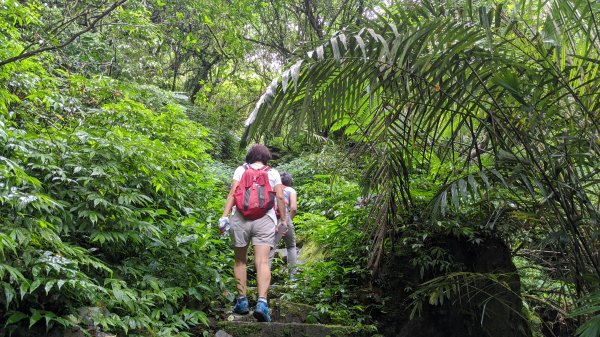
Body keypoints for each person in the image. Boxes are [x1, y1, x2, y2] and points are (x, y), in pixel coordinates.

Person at [220, 144, 287, 323]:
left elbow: (233, 194)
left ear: (249, 156)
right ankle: (262, 303)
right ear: (266, 157)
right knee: (263, 261)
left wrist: (224, 216)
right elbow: (280, 197)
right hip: (265, 219)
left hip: (240, 219)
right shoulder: (273, 173)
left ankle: (242, 301)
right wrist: (283, 221)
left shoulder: (240, 169)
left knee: (240, 260)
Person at [268, 171, 298, 279]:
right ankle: (293, 277)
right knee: (291, 246)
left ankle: (265, 276)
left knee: (271, 247)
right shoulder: (291, 190)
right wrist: (288, 220)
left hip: (272, 220)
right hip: (285, 218)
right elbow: (294, 208)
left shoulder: (273, 189)